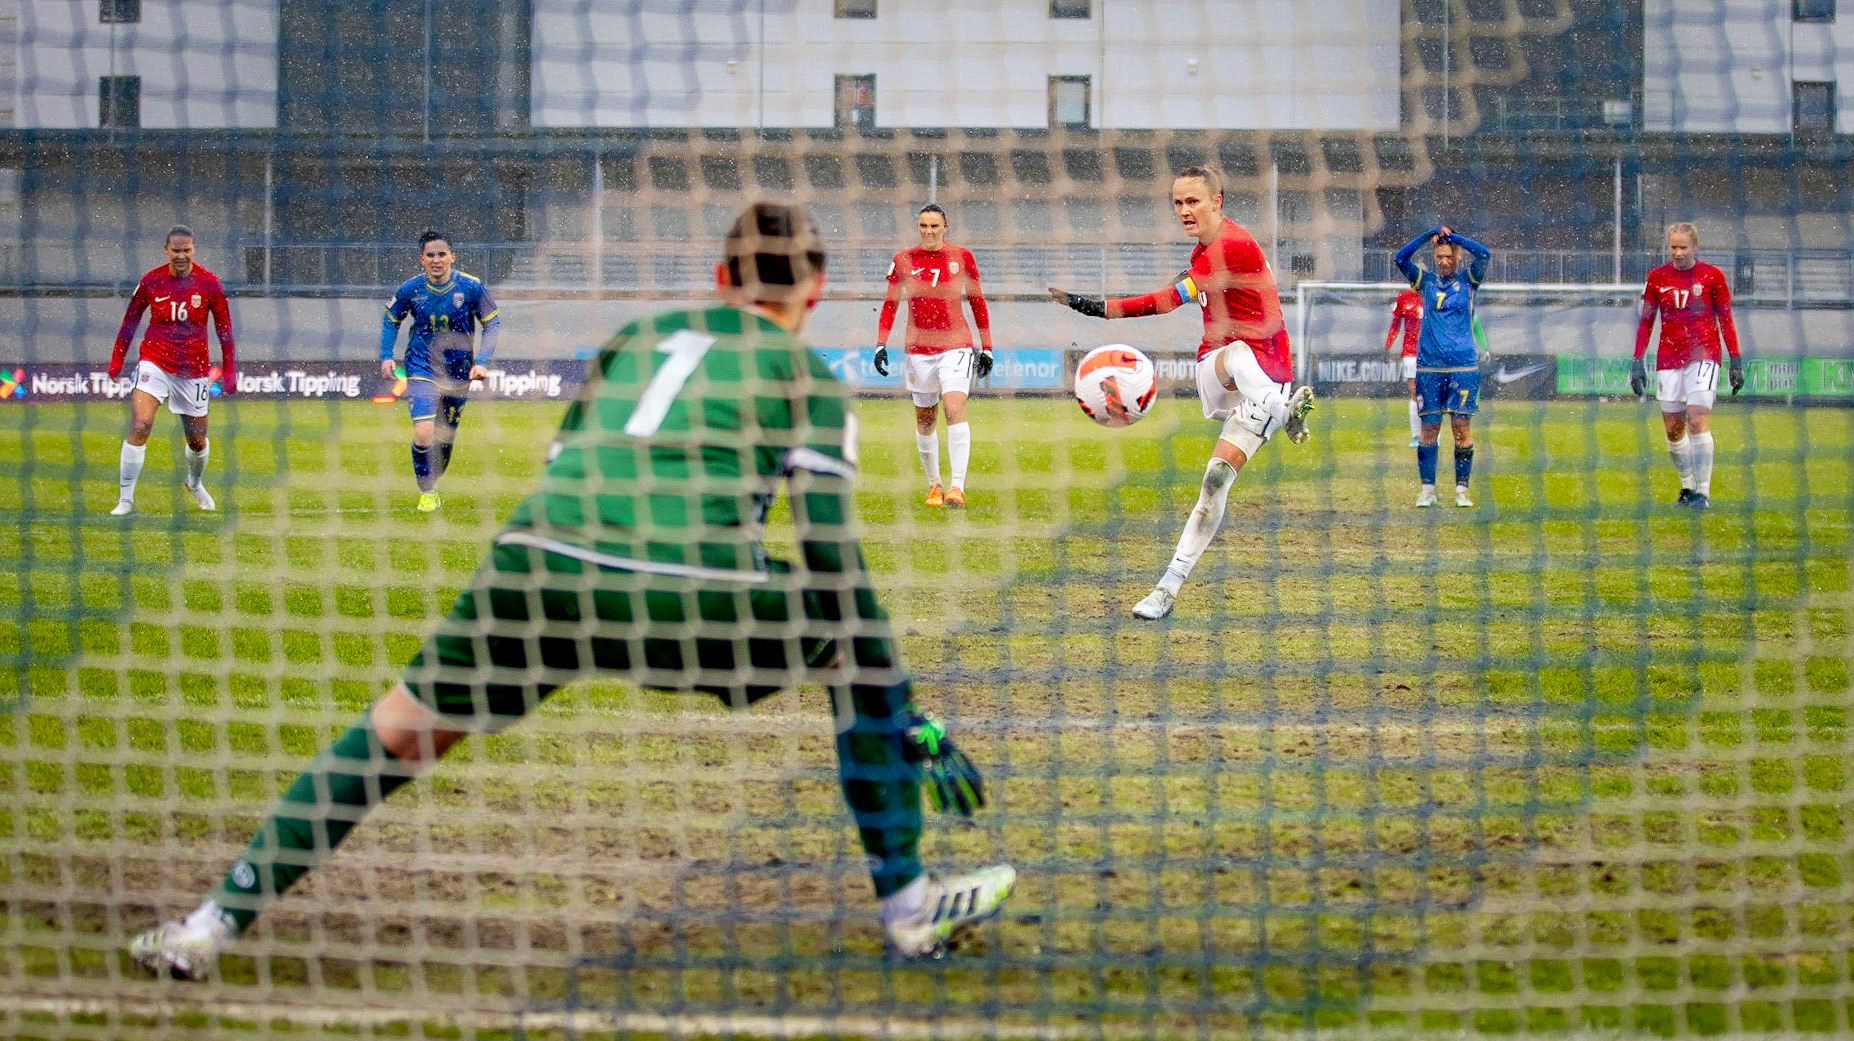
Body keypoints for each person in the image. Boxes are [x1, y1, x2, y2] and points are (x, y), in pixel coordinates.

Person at [130, 202, 1014, 979]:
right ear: (814, 292)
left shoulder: (636, 341)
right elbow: (833, 560)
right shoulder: (809, 384)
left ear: (716, 279)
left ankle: (208, 924)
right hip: (685, 589)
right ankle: (906, 905)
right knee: (855, 648)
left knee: (391, 737)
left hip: (533, 568)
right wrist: (899, 705)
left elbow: (565, 471)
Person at [1049, 165, 1316, 620]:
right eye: (1178, 202)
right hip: (1221, 372)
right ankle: (1285, 412)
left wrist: (1099, 309)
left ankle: (1165, 590)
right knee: (1233, 353)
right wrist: (1096, 309)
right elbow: (1178, 294)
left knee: (1215, 483)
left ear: (1218, 201)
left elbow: (1169, 298)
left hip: (1272, 377)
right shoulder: (1206, 253)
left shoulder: (1234, 244)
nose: (1184, 210)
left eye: (1193, 201)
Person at [106, 224, 236, 515]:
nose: (181, 255)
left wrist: (229, 371)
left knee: (196, 440)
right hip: (155, 361)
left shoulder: (209, 283)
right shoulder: (151, 281)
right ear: (166, 250)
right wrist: (117, 361)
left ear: (193, 250)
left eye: (186, 250)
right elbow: (130, 322)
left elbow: (224, 329)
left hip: (194, 369)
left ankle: (194, 482)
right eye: (176, 250)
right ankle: (125, 500)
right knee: (141, 426)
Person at [873, 204, 994, 508]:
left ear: (945, 228)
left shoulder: (961, 257)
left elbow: (978, 302)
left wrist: (987, 346)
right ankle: (934, 485)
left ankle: (957, 487)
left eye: (934, 226)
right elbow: (890, 305)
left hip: (956, 345)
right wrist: (880, 344)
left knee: (954, 409)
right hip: (918, 349)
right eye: (923, 226)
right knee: (926, 420)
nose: (928, 231)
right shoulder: (903, 259)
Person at [380, 231, 502, 512]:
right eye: (430, 255)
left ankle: (431, 479)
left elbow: (492, 324)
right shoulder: (411, 289)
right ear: (422, 259)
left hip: (458, 372)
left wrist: (482, 361)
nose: (436, 260)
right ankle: (427, 492)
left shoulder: (471, 287)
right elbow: (390, 321)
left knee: (444, 439)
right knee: (424, 433)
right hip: (421, 367)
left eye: (442, 254)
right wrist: (387, 356)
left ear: (452, 257)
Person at [1631, 222, 1744, 510]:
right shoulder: (1657, 278)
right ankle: (1687, 487)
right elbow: (1646, 321)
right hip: (1669, 358)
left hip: (1703, 355)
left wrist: (1736, 359)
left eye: (1683, 247)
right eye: (1673, 247)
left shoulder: (1712, 276)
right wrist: (1637, 359)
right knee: (1673, 429)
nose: (1678, 253)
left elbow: (1726, 320)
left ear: (1695, 247)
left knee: (1696, 418)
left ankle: (1703, 493)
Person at [1393, 224, 1490, 508]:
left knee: (1461, 429)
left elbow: (1484, 254)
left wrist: (1453, 238)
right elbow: (1400, 258)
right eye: (1440, 257)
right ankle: (1428, 491)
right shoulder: (1426, 282)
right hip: (1429, 368)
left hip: (1463, 368)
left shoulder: (1469, 281)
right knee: (1429, 430)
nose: (1444, 262)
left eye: (1449, 256)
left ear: (1457, 257)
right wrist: (1428, 235)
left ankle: (1462, 491)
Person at [1384, 285, 1423, 447]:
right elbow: (1395, 324)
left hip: (1430, 352)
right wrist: (1388, 344)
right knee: (1414, 391)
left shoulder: (1431, 295)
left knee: (1430, 393)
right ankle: (1416, 435)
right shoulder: (1403, 298)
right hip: (1410, 352)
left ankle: (1433, 433)